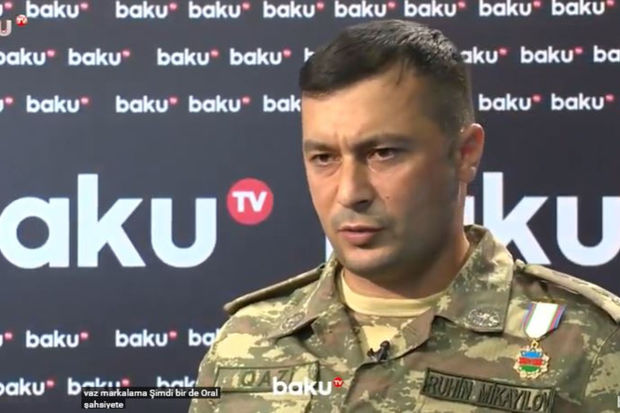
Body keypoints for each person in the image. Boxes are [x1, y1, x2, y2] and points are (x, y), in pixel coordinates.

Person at [189, 19, 620, 413]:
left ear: (465, 154)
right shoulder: (244, 341)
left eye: (383, 153)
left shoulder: (589, 344)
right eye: (324, 157)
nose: (350, 192)